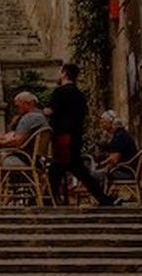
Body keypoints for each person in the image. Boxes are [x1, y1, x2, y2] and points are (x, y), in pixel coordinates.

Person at [47, 63, 107, 205]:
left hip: (63, 136)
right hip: (76, 135)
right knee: (68, 169)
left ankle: (48, 198)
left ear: (64, 73)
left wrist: (41, 112)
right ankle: (49, 198)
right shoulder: (80, 95)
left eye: (60, 71)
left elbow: (51, 111)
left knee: (65, 168)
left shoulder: (59, 92)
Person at [91, 110, 139, 205]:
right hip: (125, 170)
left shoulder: (120, 137)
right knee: (98, 173)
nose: (102, 125)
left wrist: (100, 165)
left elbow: (114, 159)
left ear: (111, 122)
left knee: (94, 175)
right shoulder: (120, 135)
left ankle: (105, 200)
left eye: (104, 122)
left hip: (125, 172)